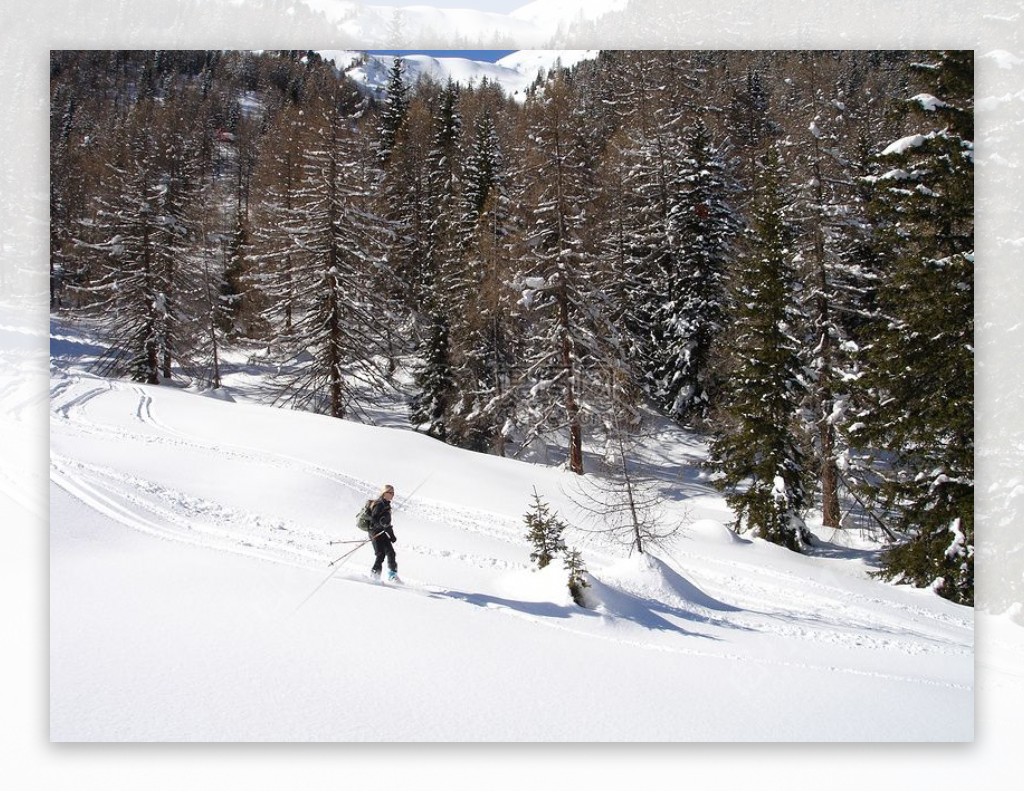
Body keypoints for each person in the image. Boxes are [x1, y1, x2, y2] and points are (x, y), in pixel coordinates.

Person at [369, 484, 398, 581]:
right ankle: (374, 575)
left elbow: (387, 524)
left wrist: (392, 536)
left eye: (393, 493)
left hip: (382, 532)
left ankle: (392, 575)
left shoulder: (387, 505)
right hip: (375, 533)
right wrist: (381, 525)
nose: (392, 495)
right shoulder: (379, 504)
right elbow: (373, 519)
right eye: (390, 492)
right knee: (380, 554)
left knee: (391, 553)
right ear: (384, 493)